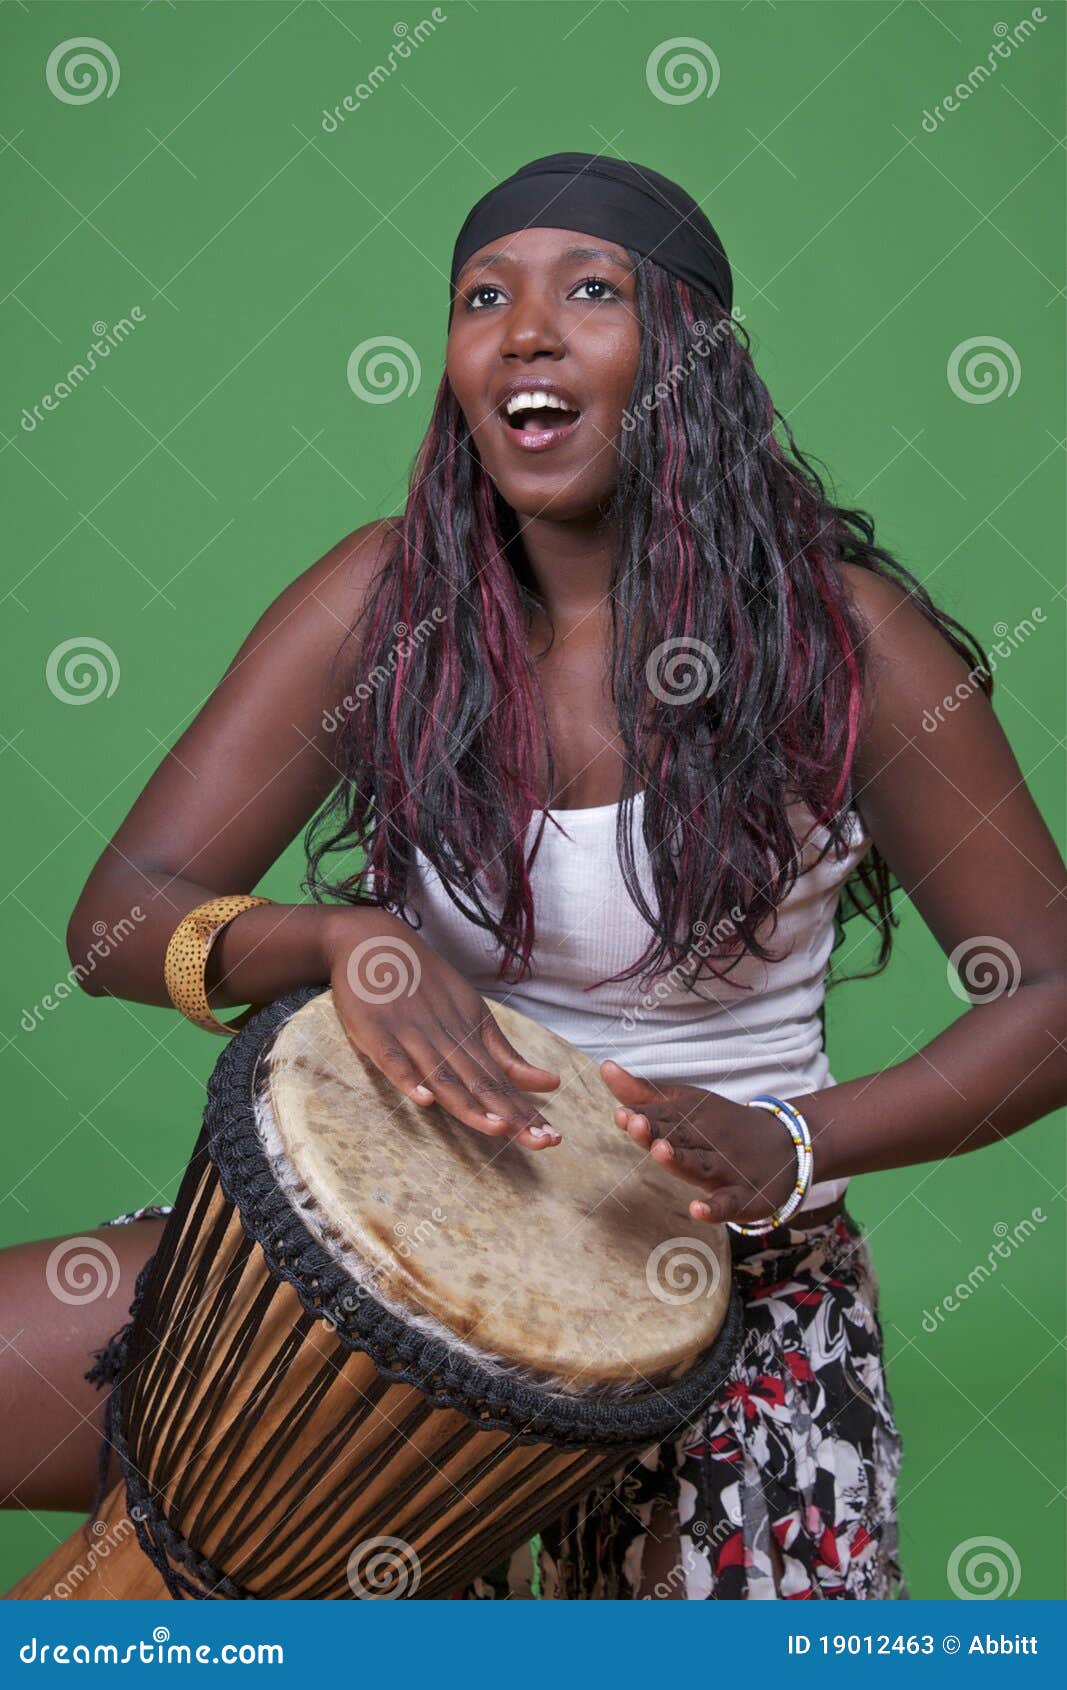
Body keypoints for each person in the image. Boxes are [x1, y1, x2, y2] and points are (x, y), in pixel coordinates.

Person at [4, 153, 1064, 1600]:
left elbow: (1052, 992)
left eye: (591, 291)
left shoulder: (846, 647)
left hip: (724, 1277)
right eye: (483, 296)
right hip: (391, 1254)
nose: (525, 332)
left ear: (686, 356)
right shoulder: (381, 606)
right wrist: (341, 937)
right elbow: (119, 915)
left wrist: (797, 1141)